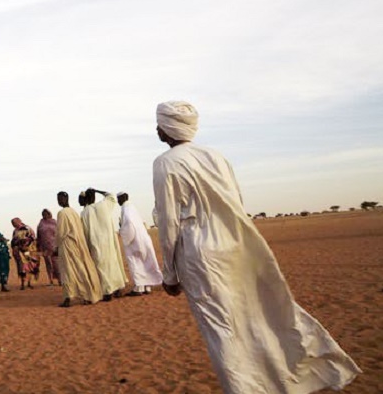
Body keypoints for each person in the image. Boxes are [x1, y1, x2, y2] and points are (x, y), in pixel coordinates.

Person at [153, 101, 360, 393]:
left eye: (159, 123)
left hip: (200, 253)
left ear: (167, 128)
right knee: (255, 315)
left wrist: (170, 274)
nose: (157, 129)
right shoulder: (216, 157)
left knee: (222, 329)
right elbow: (236, 200)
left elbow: (168, 220)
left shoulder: (166, 162)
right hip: (236, 244)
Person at [80, 189, 128, 301]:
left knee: (101, 268)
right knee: (113, 264)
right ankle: (117, 289)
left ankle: (107, 292)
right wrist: (97, 190)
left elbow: (84, 231)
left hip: (96, 243)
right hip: (109, 242)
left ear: (86, 198)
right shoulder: (103, 205)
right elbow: (111, 196)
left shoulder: (85, 212)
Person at [56, 192, 102, 307]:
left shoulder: (62, 213)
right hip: (78, 244)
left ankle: (68, 297)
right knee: (81, 269)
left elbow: (61, 232)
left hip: (67, 245)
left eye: (60, 198)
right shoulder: (74, 212)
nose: (59, 201)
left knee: (68, 271)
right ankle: (87, 294)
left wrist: (56, 246)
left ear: (65, 199)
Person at [116, 192, 162, 296]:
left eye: (118, 199)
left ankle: (138, 288)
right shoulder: (132, 207)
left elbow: (129, 225)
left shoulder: (126, 209)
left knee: (136, 263)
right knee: (145, 262)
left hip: (135, 242)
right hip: (144, 239)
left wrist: (122, 231)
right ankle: (147, 287)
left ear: (122, 198)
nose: (118, 201)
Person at [10, 218, 40, 290]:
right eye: (12, 224)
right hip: (19, 252)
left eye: (14, 223)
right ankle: (23, 284)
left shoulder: (27, 228)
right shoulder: (15, 231)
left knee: (30, 267)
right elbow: (13, 241)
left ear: (19, 221)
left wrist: (25, 243)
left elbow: (32, 237)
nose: (13, 225)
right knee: (21, 268)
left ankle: (29, 283)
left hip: (28, 251)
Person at [36, 209, 61, 286]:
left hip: (54, 247)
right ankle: (51, 281)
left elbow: (59, 233)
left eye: (46, 213)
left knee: (57, 264)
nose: (44, 215)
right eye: (43, 214)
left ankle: (60, 280)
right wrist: (39, 246)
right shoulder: (41, 223)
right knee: (48, 264)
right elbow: (38, 235)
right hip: (45, 247)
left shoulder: (55, 222)